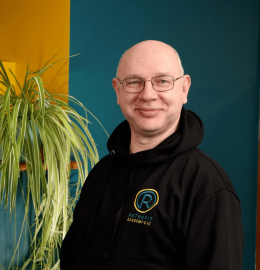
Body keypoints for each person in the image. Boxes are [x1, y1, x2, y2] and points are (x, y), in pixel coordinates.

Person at [60, 40, 244, 270]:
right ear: (117, 90)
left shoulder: (207, 186)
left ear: (184, 89)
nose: (148, 95)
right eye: (134, 82)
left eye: (162, 81)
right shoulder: (103, 171)